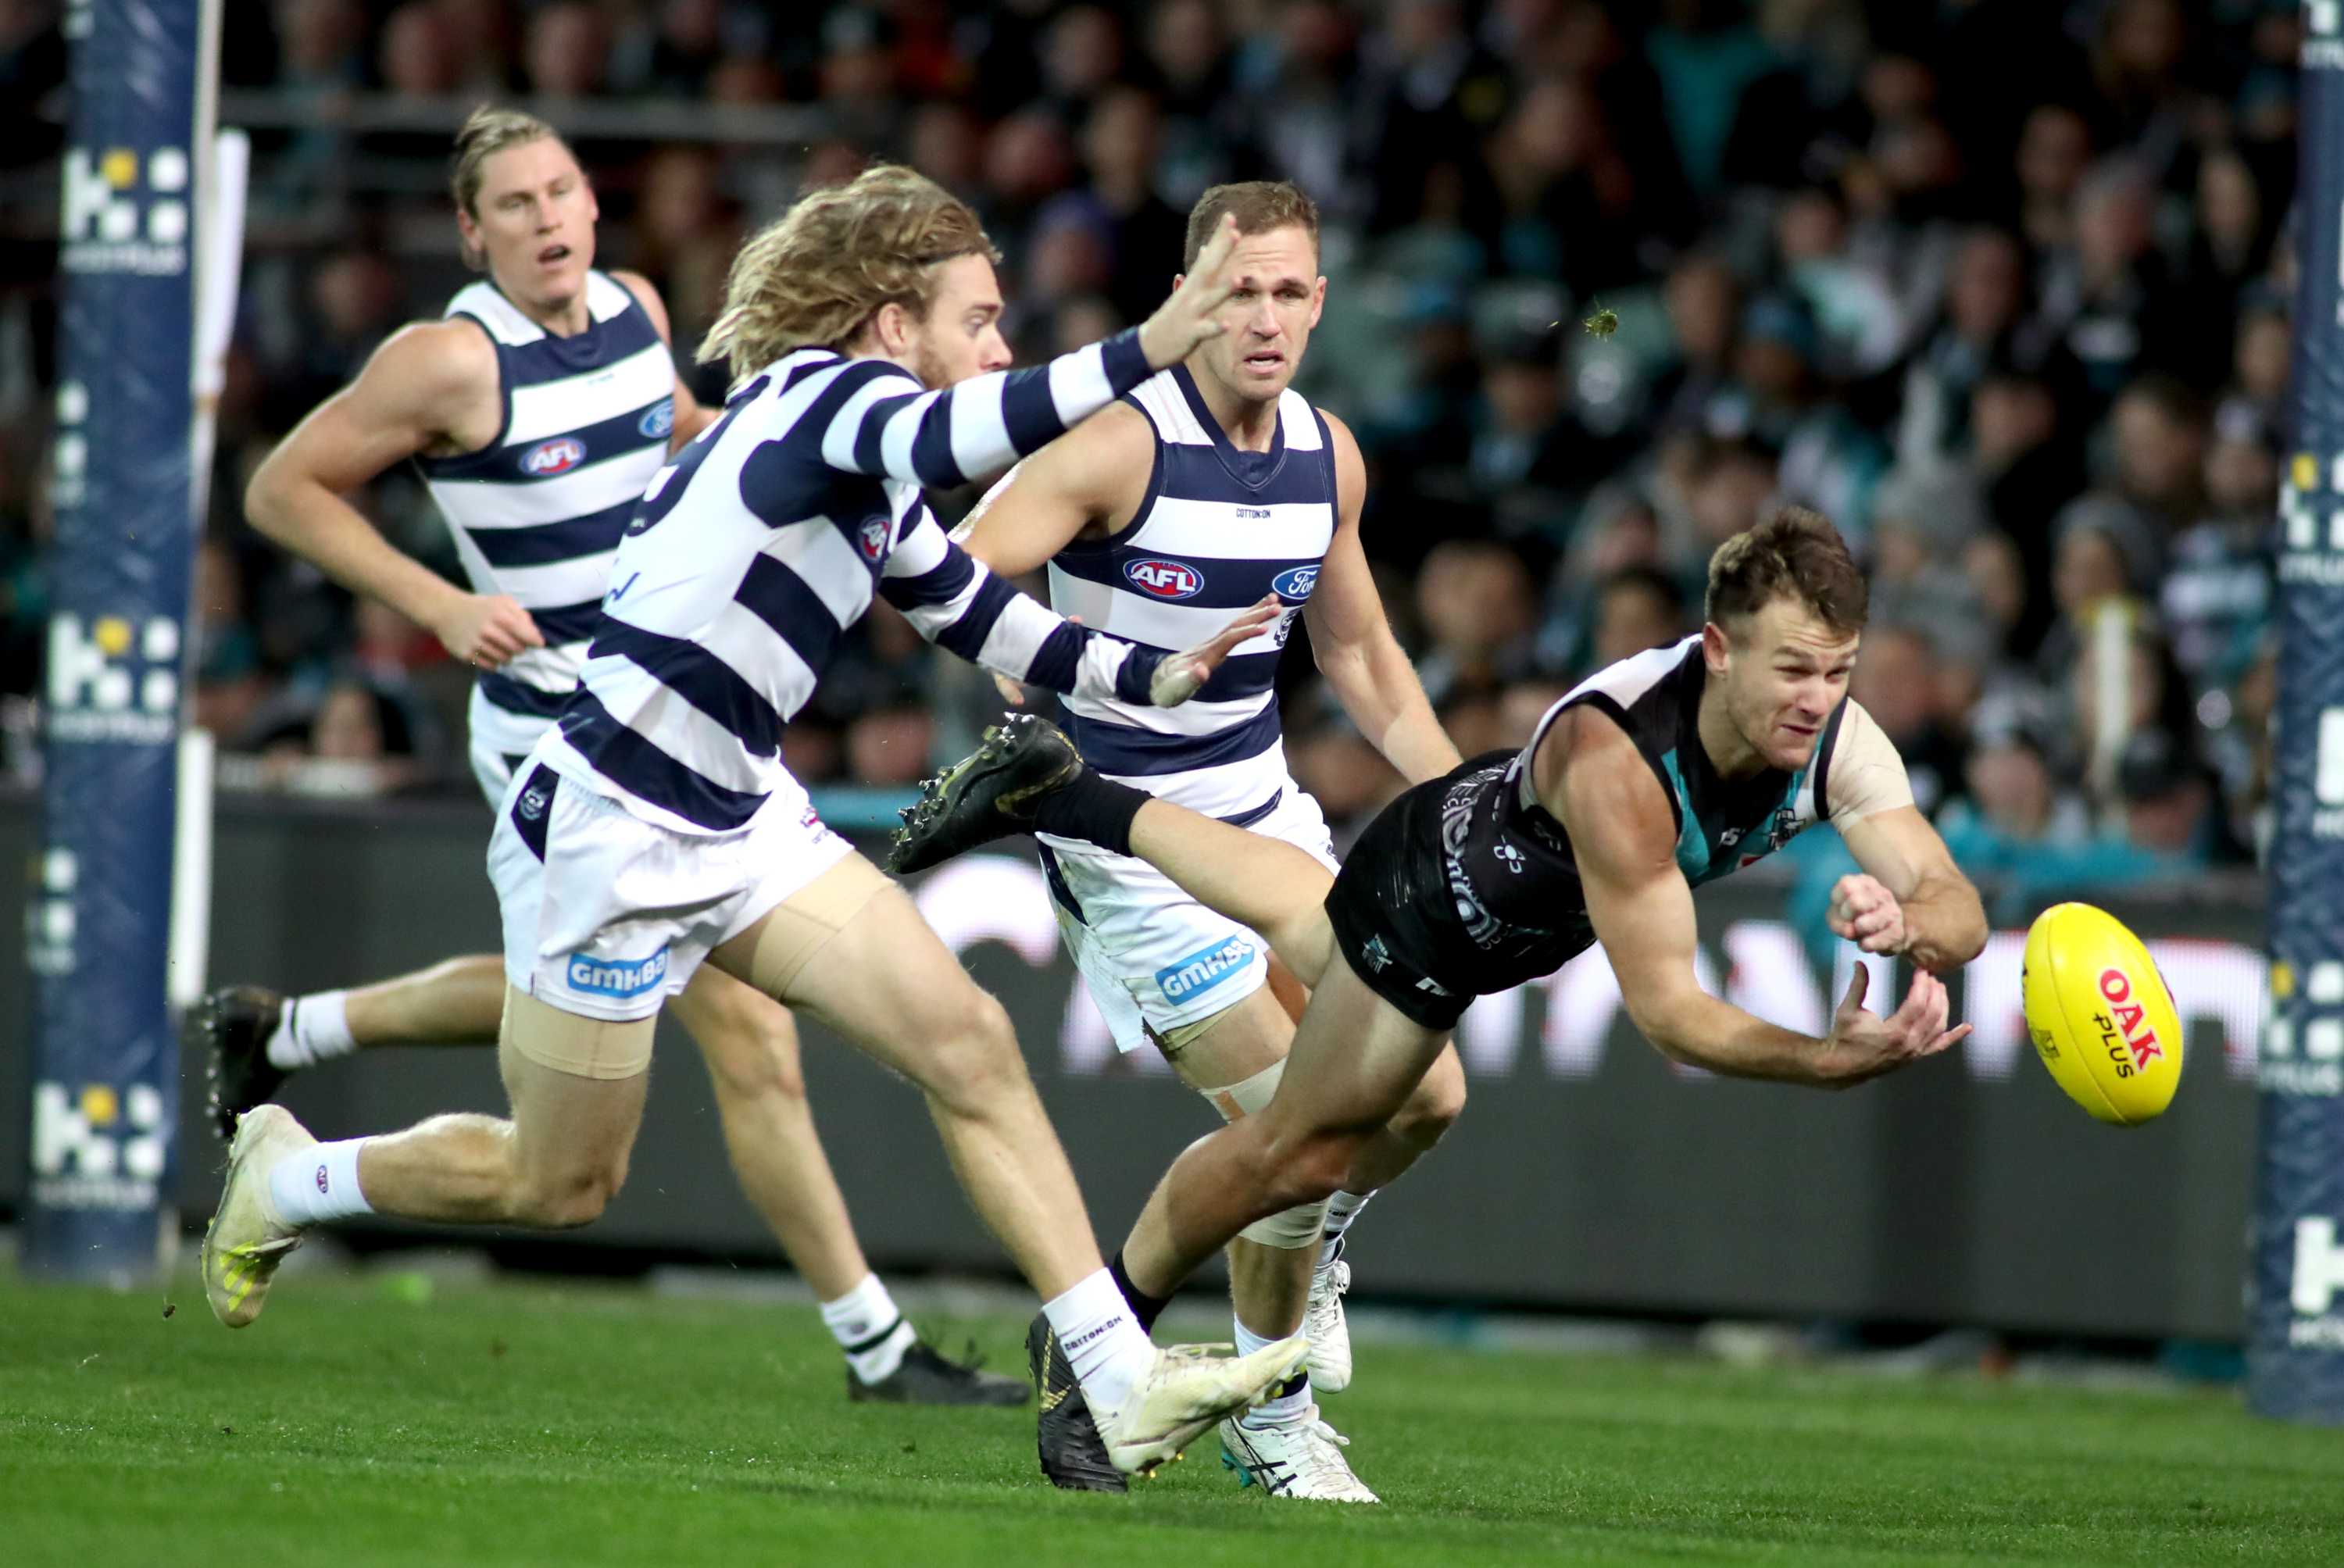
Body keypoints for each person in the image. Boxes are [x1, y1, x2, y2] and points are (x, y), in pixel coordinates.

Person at [201, 161, 1310, 1482]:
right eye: (979, 320)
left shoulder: (864, 456)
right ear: (894, 324)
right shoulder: (833, 400)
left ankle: (1117, 1383)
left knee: (966, 1041)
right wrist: (1147, 349)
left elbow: (980, 613)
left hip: (742, 815)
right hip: (613, 825)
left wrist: (1155, 676)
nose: (1000, 345)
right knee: (560, 1186)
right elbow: (963, 441)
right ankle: (293, 1178)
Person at [197, 107, 1020, 1405]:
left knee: (637, 1013)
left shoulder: (638, 308)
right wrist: (438, 605)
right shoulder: (449, 362)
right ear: (471, 233)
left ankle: (289, 1031)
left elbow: (690, 428)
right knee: (689, 1057)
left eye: (565, 190)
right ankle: (876, 1347)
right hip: (557, 739)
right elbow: (281, 489)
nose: (549, 220)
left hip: (680, 719)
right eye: (514, 205)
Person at [893, 509, 1988, 1377]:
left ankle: (1063, 792)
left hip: (1497, 878)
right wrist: (1825, 1062)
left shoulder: (1837, 739)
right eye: (1794, 669)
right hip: (1436, 906)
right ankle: (1102, 1338)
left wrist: (1908, 920)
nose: (1817, 699)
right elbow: (1671, 1014)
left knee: (1371, 1062)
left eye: (1838, 671)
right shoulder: (1624, 766)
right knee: (1297, 1155)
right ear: (1716, 650)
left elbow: (1954, 899)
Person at [950, 180, 1460, 1501]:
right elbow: (955, 573)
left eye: (1292, 290)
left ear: (1322, 304)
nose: (1268, 315)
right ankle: (1267, 1417)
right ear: (1191, 297)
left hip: (1265, 815)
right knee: (1298, 1126)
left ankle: (1110, 1318)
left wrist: (1470, 799)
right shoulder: (1122, 443)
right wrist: (1041, 693)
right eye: (1242, 288)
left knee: (1427, 1100)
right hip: (1125, 841)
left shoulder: (1327, 454)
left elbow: (1357, 650)